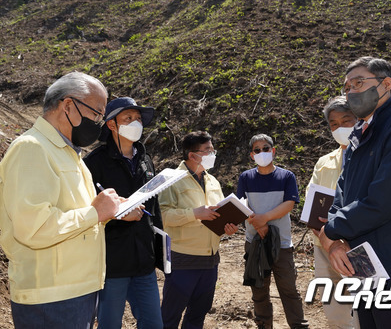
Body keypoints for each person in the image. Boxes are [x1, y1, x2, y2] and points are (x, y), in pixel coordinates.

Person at [318, 57, 391, 328]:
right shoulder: (360, 131)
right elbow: (343, 190)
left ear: (386, 84)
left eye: (359, 83)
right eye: (347, 86)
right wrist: (335, 240)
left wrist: (333, 229)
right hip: (363, 261)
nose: (351, 91)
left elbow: (385, 199)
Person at [0, 72, 122, 328]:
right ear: (68, 106)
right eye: (97, 113)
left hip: (74, 291)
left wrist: (110, 212)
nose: (99, 123)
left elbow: (75, 216)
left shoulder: (69, 154)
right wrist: (95, 213)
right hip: (51, 298)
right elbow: (34, 227)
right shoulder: (32, 148)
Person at [84, 97, 163, 329]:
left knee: (153, 324)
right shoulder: (94, 163)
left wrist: (158, 249)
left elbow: (154, 210)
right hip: (112, 263)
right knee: (109, 324)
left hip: (144, 262)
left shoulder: (146, 160)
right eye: (128, 118)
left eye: (138, 118)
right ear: (111, 125)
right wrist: (117, 215)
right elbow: (86, 211)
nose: (135, 123)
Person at [158, 131, 238, 329]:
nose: (213, 154)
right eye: (207, 150)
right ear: (192, 155)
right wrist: (194, 213)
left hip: (211, 260)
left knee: (197, 316)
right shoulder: (171, 179)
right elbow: (163, 217)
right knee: (170, 316)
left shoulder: (213, 181)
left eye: (212, 149)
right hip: (183, 259)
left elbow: (217, 214)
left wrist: (227, 227)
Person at [237, 134, 309, 329]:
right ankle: (263, 325)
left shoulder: (286, 176)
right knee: (259, 290)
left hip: (282, 244)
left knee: (289, 290)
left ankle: (298, 325)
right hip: (254, 242)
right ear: (252, 155)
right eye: (257, 150)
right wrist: (259, 224)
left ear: (273, 151)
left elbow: (289, 204)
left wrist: (264, 219)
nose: (262, 152)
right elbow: (240, 205)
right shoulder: (246, 177)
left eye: (266, 148)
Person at [307, 96, 359, 329]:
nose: (340, 128)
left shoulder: (373, 158)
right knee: (334, 309)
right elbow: (311, 206)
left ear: (360, 120)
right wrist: (329, 242)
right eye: (334, 124)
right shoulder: (324, 162)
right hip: (325, 246)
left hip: (359, 246)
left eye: (347, 121)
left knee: (364, 310)